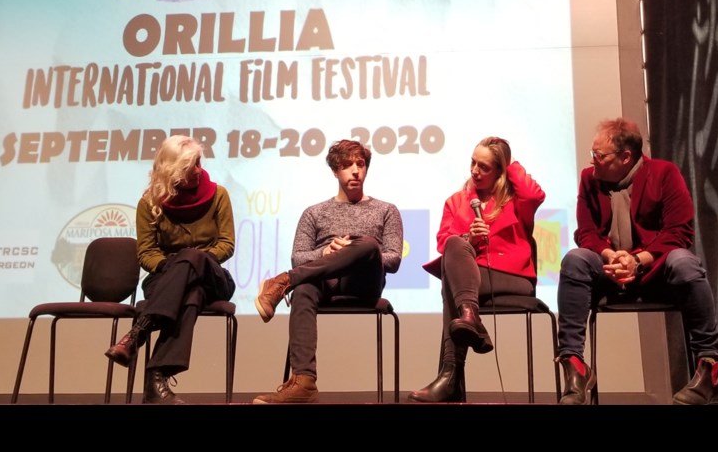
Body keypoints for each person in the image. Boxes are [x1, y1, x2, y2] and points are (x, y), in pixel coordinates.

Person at [556, 117, 718, 405]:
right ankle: (575, 367)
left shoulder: (664, 173)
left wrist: (637, 260)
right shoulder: (589, 179)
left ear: (625, 157)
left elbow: (678, 232)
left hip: (655, 272)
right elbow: (586, 232)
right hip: (608, 270)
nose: (593, 160)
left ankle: (709, 367)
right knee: (574, 259)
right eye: (592, 154)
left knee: (685, 262)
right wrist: (611, 256)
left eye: (599, 155)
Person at [251, 139, 403, 403]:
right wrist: (325, 253)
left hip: (363, 284)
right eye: (347, 165)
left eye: (361, 164)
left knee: (367, 245)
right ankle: (304, 383)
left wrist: (354, 251)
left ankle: (284, 281)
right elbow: (298, 256)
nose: (355, 171)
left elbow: (393, 260)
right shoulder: (314, 213)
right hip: (323, 281)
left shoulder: (386, 210)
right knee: (304, 289)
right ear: (335, 171)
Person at [408, 136, 545, 402]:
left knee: (452, 284)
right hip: (473, 279)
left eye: (484, 166)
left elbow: (535, 193)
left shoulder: (516, 199)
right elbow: (443, 242)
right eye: (473, 163)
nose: (474, 171)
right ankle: (469, 318)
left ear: (500, 170)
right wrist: (469, 238)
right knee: (455, 246)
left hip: (513, 277)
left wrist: (510, 161)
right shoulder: (457, 201)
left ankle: (450, 378)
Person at [103, 134, 236, 404]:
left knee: (192, 260)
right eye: (191, 165)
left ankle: (138, 333)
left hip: (214, 278)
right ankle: (157, 377)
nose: (198, 170)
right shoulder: (149, 203)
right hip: (166, 281)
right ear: (173, 169)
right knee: (192, 295)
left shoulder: (219, 195)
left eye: (199, 162)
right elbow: (147, 254)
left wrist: (194, 259)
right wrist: (173, 265)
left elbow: (226, 244)